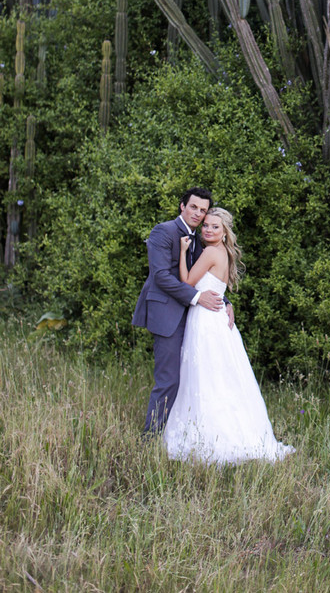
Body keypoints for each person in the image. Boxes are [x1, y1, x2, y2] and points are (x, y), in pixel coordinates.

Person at [163, 207, 295, 465]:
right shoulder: (222, 252)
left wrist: (181, 252)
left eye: (215, 227)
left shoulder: (211, 251)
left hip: (206, 320)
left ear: (224, 233)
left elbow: (187, 282)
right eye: (206, 225)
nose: (208, 230)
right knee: (222, 378)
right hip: (218, 319)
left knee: (206, 377)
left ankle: (212, 437)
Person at [132, 187, 235, 435]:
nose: (198, 214)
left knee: (193, 378)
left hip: (194, 319)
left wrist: (226, 303)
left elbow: (207, 277)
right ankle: (150, 438)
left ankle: (185, 434)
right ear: (182, 206)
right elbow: (161, 277)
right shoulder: (163, 232)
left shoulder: (202, 239)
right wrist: (198, 297)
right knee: (169, 380)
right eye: (193, 207)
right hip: (167, 314)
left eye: (203, 210)